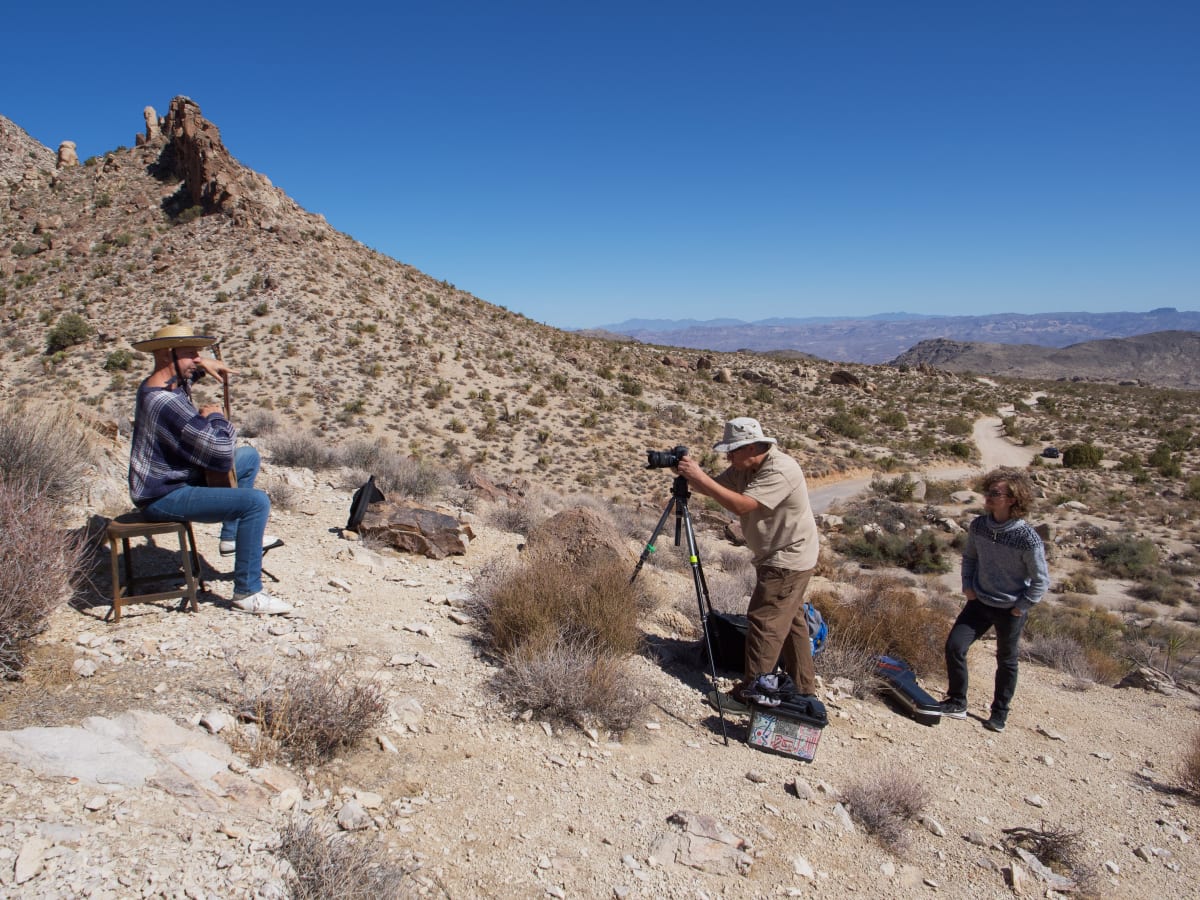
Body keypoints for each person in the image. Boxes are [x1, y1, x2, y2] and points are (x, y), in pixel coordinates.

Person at [128, 323, 292, 616]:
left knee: (248, 458)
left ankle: (230, 538)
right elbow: (219, 453)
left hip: (175, 480)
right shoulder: (165, 402)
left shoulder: (162, 383)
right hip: (162, 495)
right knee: (255, 503)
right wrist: (215, 417)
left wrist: (203, 364)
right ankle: (248, 591)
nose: (197, 360)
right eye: (192, 354)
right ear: (168, 354)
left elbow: (185, 376)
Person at [676, 417, 820, 713]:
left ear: (752, 446)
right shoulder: (745, 467)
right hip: (778, 556)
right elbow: (715, 488)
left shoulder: (781, 469)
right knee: (791, 621)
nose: (728, 457)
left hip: (788, 559)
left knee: (764, 621)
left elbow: (740, 505)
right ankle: (804, 689)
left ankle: (750, 694)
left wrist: (699, 477)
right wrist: (685, 473)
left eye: (732, 450)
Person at [941, 467, 1049, 732]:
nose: (988, 497)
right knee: (955, 646)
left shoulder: (1027, 538)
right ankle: (957, 701)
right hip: (979, 602)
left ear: (1013, 499)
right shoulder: (979, 526)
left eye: (995, 493)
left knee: (1006, 661)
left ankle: (999, 713)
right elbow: (970, 557)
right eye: (988, 492)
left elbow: (1041, 580)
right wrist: (967, 585)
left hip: (1010, 608)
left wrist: (1021, 607)